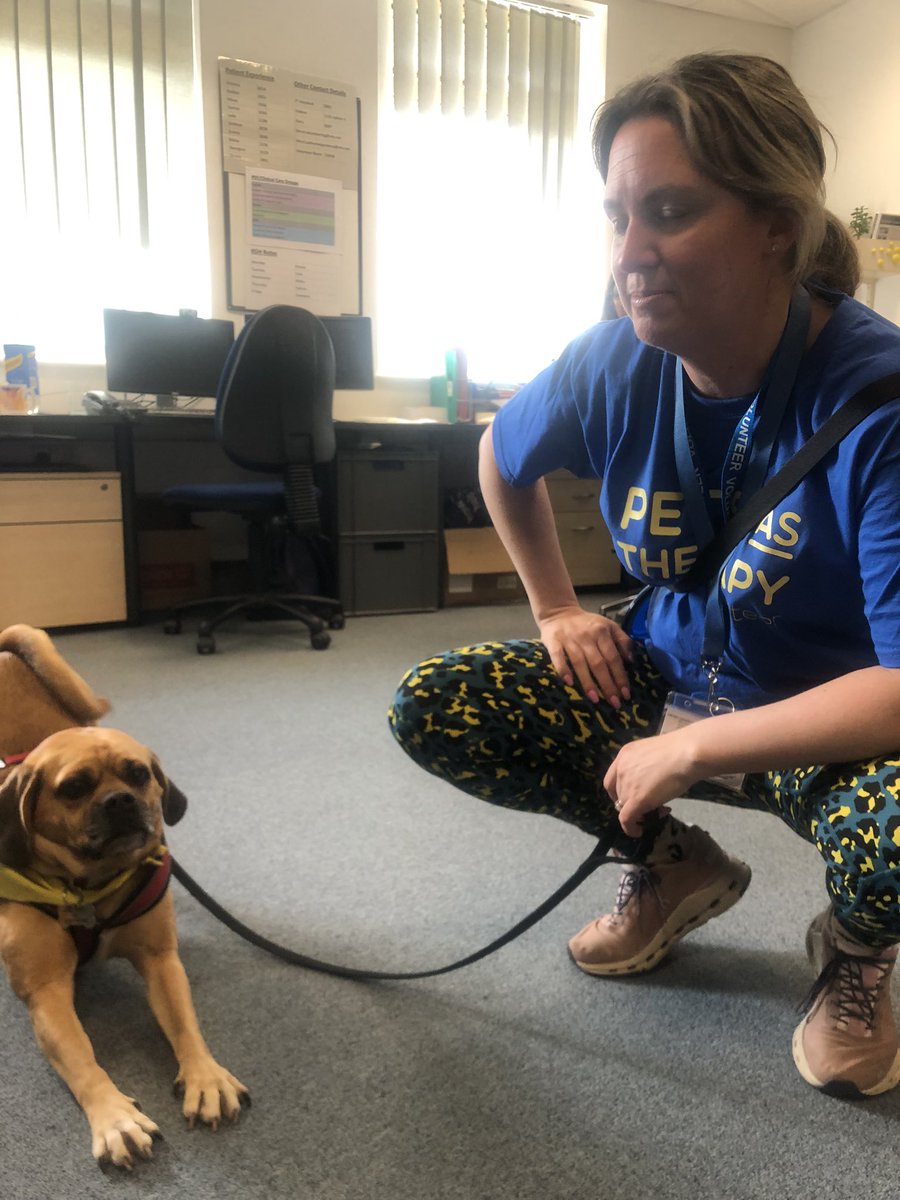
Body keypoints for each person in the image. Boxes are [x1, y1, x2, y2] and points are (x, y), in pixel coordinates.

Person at [389, 51, 900, 1100]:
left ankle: (855, 950)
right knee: (437, 705)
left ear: (776, 225)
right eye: (616, 215)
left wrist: (702, 746)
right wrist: (555, 608)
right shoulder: (612, 358)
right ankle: (675, 868)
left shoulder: (879, 403)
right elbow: (499, 455)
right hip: (660, 676)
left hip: (822, 724)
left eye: (669, 210)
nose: (631, 253)